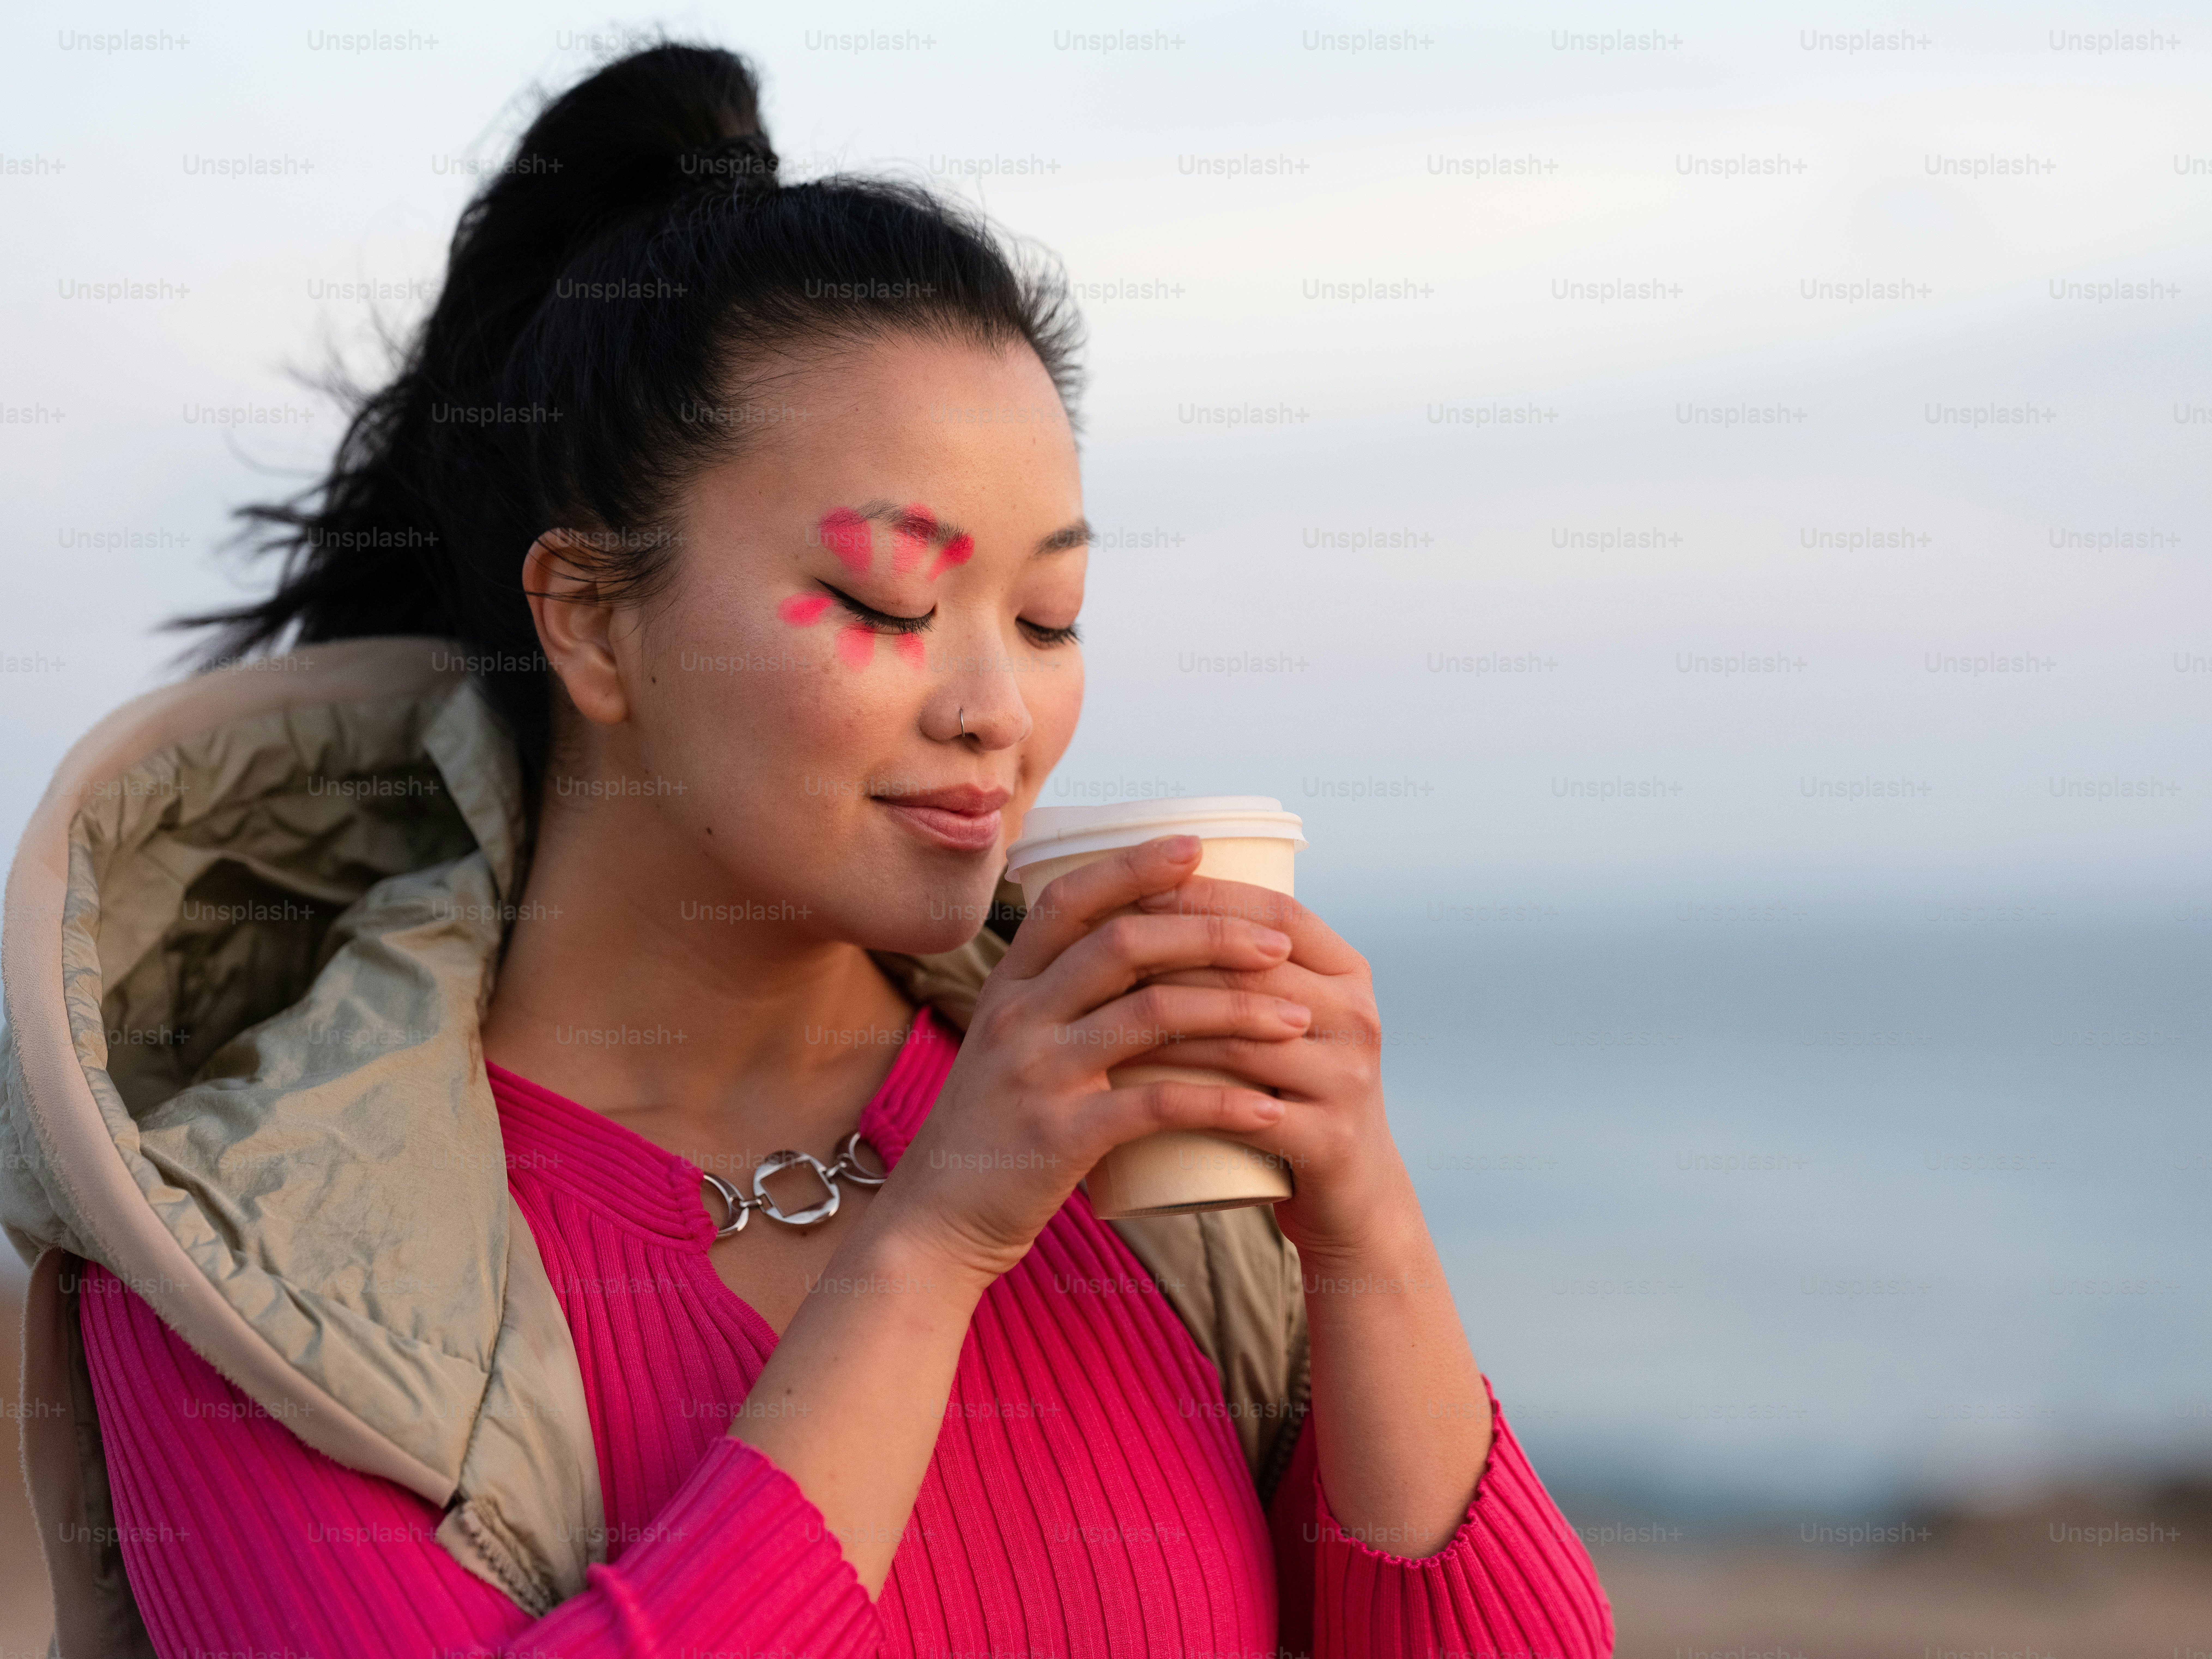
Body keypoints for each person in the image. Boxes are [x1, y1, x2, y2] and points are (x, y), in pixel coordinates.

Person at [0, 42, 1611, 1658]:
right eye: (885, 606)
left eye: (1047, 616)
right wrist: (932, 1243)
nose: (998, 708)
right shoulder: (245, 1255)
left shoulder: (1136, 1164)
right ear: (590, 621)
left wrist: (1362, 1225)